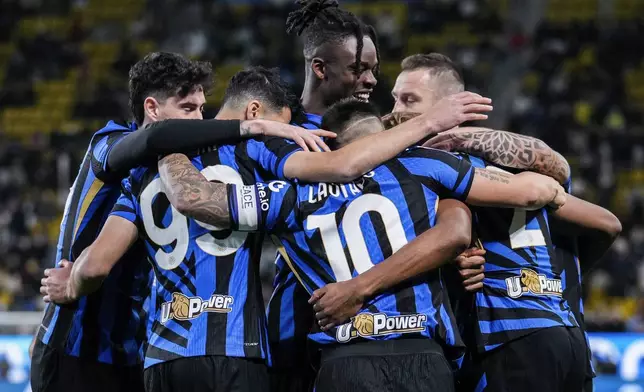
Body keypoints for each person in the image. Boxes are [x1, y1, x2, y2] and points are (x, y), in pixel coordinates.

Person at [41, 64, 491, 392]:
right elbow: (341, 165)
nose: (290, 135)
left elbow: (97, 264)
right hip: (240, 353)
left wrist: (70, 283)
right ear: (256, 112)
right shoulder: (257, 152)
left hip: (160, 359)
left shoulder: (143, 171)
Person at [155, 98, 567, 392]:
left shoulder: (293, 192)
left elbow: (200, 201)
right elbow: (538, 188)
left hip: (345, 363)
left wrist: (164, 144)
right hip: (423, 358)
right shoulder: (426, 165)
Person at [32, 52, 333, 392]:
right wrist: (253, 126)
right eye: (188, 109)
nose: (200, 119)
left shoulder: (167, 169)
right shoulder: (108, 143)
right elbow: (154, 139)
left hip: (138, 350)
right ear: (152, 108)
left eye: (202, 108)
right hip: (76, 341)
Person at [389, 53, 621, 391]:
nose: (396, 108)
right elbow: (607, 222)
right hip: (567, 334)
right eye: (395, 97)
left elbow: (451, 233)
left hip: (509, 337)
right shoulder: (527, 169)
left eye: (409, 99)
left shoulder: (434, 171)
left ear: (450, 108)